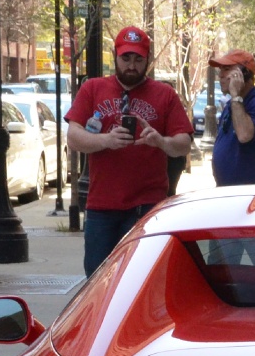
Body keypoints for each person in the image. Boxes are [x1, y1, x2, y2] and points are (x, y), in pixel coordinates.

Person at [65, 26, 192, 278]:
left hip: (146, 208)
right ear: (115, 56)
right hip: (102, 207)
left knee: (144, 279)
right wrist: (106, 140)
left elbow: (184, 143)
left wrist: (160, 141)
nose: (131, 65)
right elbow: (73, 137)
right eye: (126, 58)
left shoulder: (164, 94)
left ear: (147, 59)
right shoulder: (92, 89)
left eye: (138, 59)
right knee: (98, 280)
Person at [209, 49, 255, 188]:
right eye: (220, 70)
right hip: (228, 190)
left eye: (226, 69)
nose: (220, 75)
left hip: (250, 191)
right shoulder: (232, 105)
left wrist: (236, 97)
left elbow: (244, 135)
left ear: (244, 74)